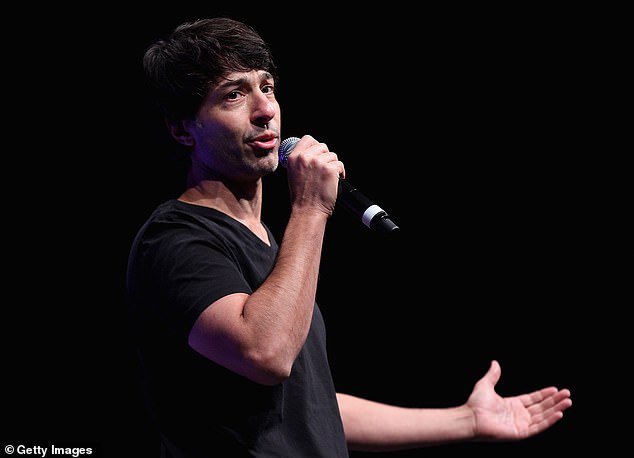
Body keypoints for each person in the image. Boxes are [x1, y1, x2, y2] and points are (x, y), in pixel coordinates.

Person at [126, 16, 572, 457]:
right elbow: (267, 353)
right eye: (234, 95)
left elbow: (309, 410)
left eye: (267, 87)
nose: (265, 110)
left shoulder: (270, 246)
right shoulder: (173, 239)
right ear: (182, 128)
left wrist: (467, 420)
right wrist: (311, 207)